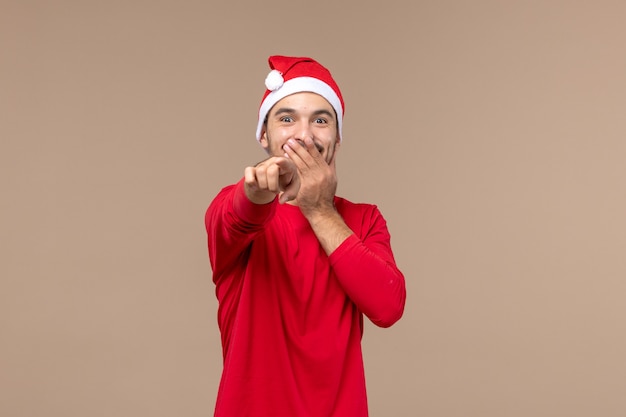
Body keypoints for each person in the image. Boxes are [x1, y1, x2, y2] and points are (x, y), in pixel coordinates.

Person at [204, 55, 406, 417]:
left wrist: (319, 209)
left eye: (320, 120)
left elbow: (388, 307)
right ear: (264, 136)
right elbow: (240, 213)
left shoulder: (365, 219)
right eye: (287, 118)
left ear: (337, 138)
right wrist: (258, 191)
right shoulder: (231, 208)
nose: (304, 135)